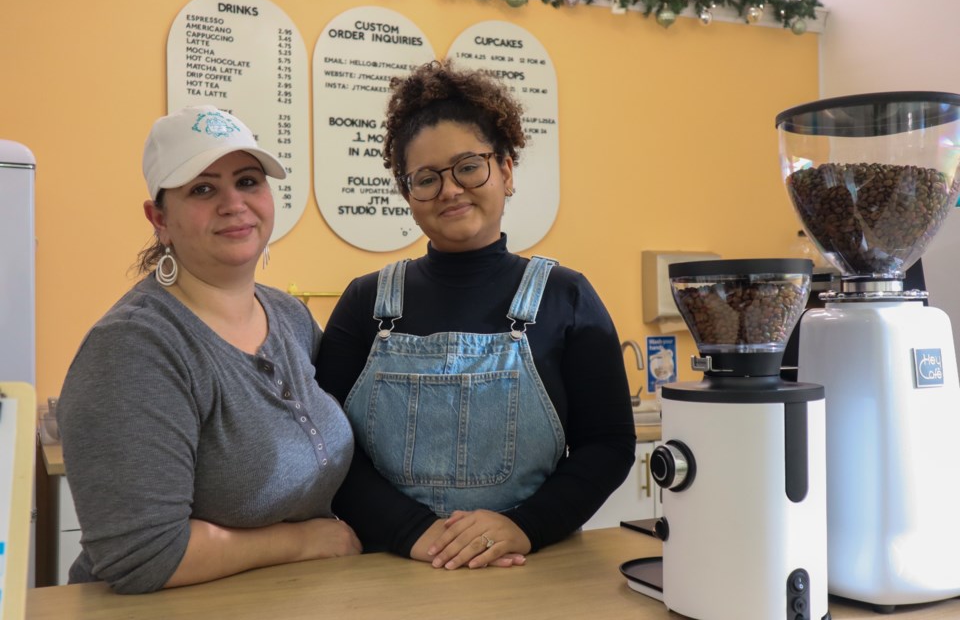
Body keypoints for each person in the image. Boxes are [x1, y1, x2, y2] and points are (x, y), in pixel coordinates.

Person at [322, 61, 636, 571]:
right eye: (426, 178)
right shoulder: (365, 303)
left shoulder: (566, 296)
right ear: (408, 194)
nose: (449, 189)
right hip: (391, 569)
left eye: (469, 166)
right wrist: (412, 530)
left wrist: (525, 526)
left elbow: (609, 444)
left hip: (532, 569)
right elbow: (328, 450)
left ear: (506, 170)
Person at [57, 105, 360, 594]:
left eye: (247, 181)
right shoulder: (135, 348)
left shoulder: (290, 316)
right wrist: (302, 542)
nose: (233, 203)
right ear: (160, 218)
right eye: (202, 189)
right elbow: (142, 556)